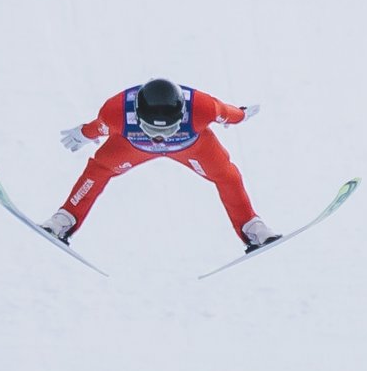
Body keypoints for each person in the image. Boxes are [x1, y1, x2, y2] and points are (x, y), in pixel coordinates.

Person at [41, 78, 278, 250]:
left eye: (168, 129)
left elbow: (226, 112)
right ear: (137, 114)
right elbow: (100, 127)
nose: (160, 137)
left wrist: (242, 114)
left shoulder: (201, 107)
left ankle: (253, 228)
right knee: (98, 170)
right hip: (133, 146)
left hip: (191, 147)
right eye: (152, 129)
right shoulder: (116, 110)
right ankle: (63, 221)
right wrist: (85, 133)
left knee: (227, 176)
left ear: (182, 115)